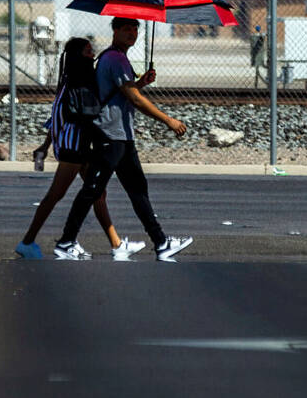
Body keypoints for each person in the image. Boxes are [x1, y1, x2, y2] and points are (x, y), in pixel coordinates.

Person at [55, 17, 193, 261]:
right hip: (110, 135)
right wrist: (168, 120)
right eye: (126, 29)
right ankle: (66, 241)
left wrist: (141, 82)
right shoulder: (116, 59)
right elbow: (135, 99)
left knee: (137, 189)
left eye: (135, 29)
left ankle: (161, 243)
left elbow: (125, 91)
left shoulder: (114, 57)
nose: (132, 33)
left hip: (122, 136)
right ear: (115, 31)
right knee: (92, 190)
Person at [15, 36, 146, 260]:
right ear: (79, 55)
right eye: (88, 51)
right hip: (75, 147)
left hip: (73, 145)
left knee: (97, 193)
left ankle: (116, 244)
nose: (92, 54)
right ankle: (29, 242)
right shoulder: (82, 78)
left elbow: (59, 115)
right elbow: (97, 106)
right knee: (56, 195)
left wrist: (47, 145)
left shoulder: (70, 78)